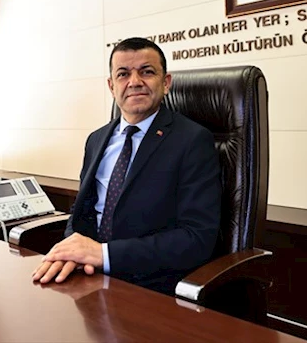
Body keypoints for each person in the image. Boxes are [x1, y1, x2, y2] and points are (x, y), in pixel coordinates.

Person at [31, 37, 221, 295]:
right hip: (89, 275)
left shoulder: (193, 140)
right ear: (112, 86)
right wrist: (70, 250)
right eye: (123, 74)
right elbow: (82, 210)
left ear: (166, 83)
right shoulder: (96, 139)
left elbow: (196, 238)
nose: (134, 82)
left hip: (149, 284)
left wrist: (104, 254)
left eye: (147, 72)